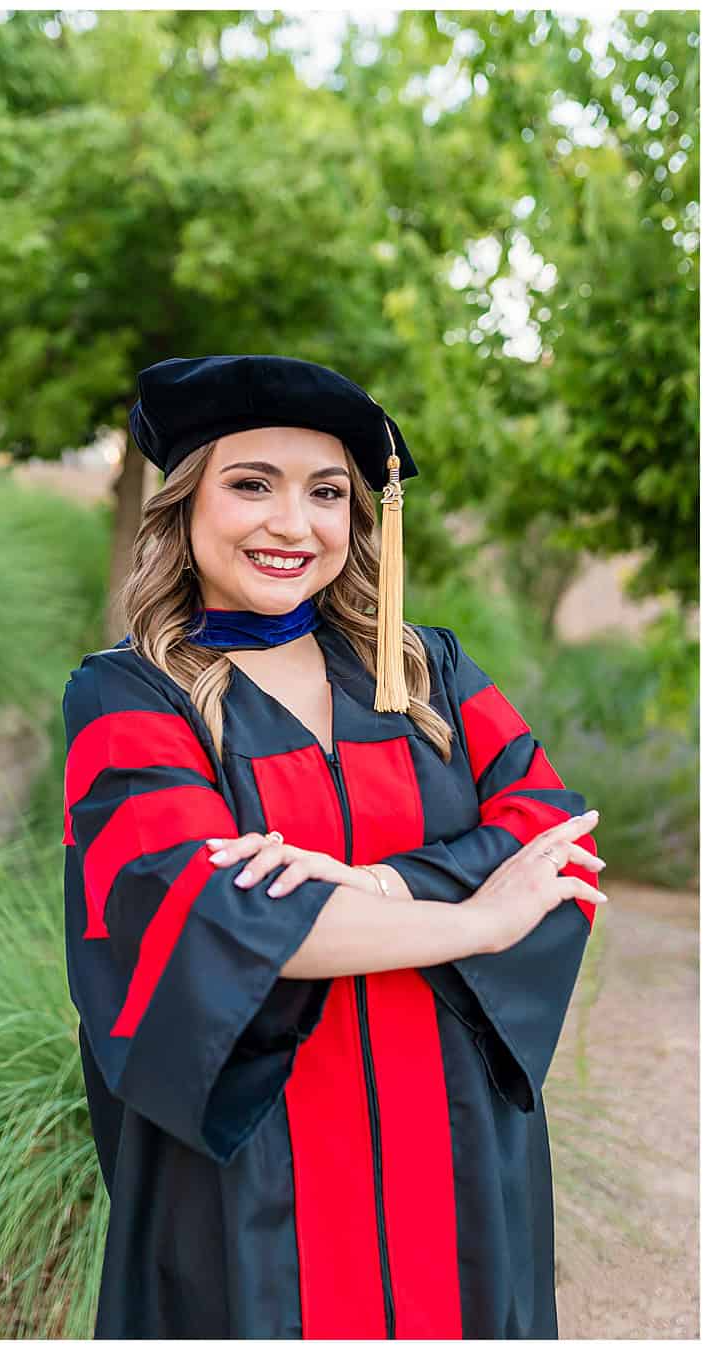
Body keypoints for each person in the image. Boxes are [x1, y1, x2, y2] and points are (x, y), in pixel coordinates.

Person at [62, 354, 608, 1339]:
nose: (293, 523)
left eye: (325, 493)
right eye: (251, 485)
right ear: (184, 506)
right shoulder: (130, 697)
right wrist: (480, 918)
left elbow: (550, 828)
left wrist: (381, 884)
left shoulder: (424, 671)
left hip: (455, 1147)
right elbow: (216, 918)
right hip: (259, 1169)